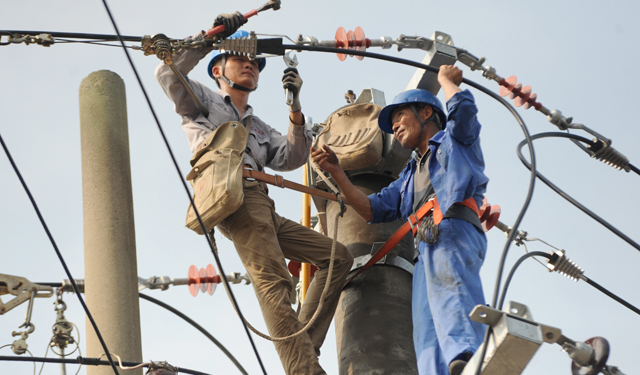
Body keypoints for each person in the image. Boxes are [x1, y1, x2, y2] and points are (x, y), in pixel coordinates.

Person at [155, 12, 353, 375]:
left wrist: (294, 108)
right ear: (218, 70)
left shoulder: (259, 126)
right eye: (240, 59)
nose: (250, 66)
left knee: (337, 257)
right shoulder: (203, 101)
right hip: (236, 197)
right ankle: (304, 369)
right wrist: (211, 38)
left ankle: (302, 347)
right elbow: (167, 74)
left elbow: (290, 156)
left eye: (255, 64)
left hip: (263, 203)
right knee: (274, 280)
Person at [311, 65, 488, 375]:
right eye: (391, 124)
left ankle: (467, 359)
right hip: (426, 246)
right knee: (424, 324)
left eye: (399, 117)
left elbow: (464, 112)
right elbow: (370, 210)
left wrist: (446, 81)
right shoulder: (408, 178)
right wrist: (337, 172)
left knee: (451, 294)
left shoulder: (454, 141)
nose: (394, 127)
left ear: (426, 113)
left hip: (453, 230)